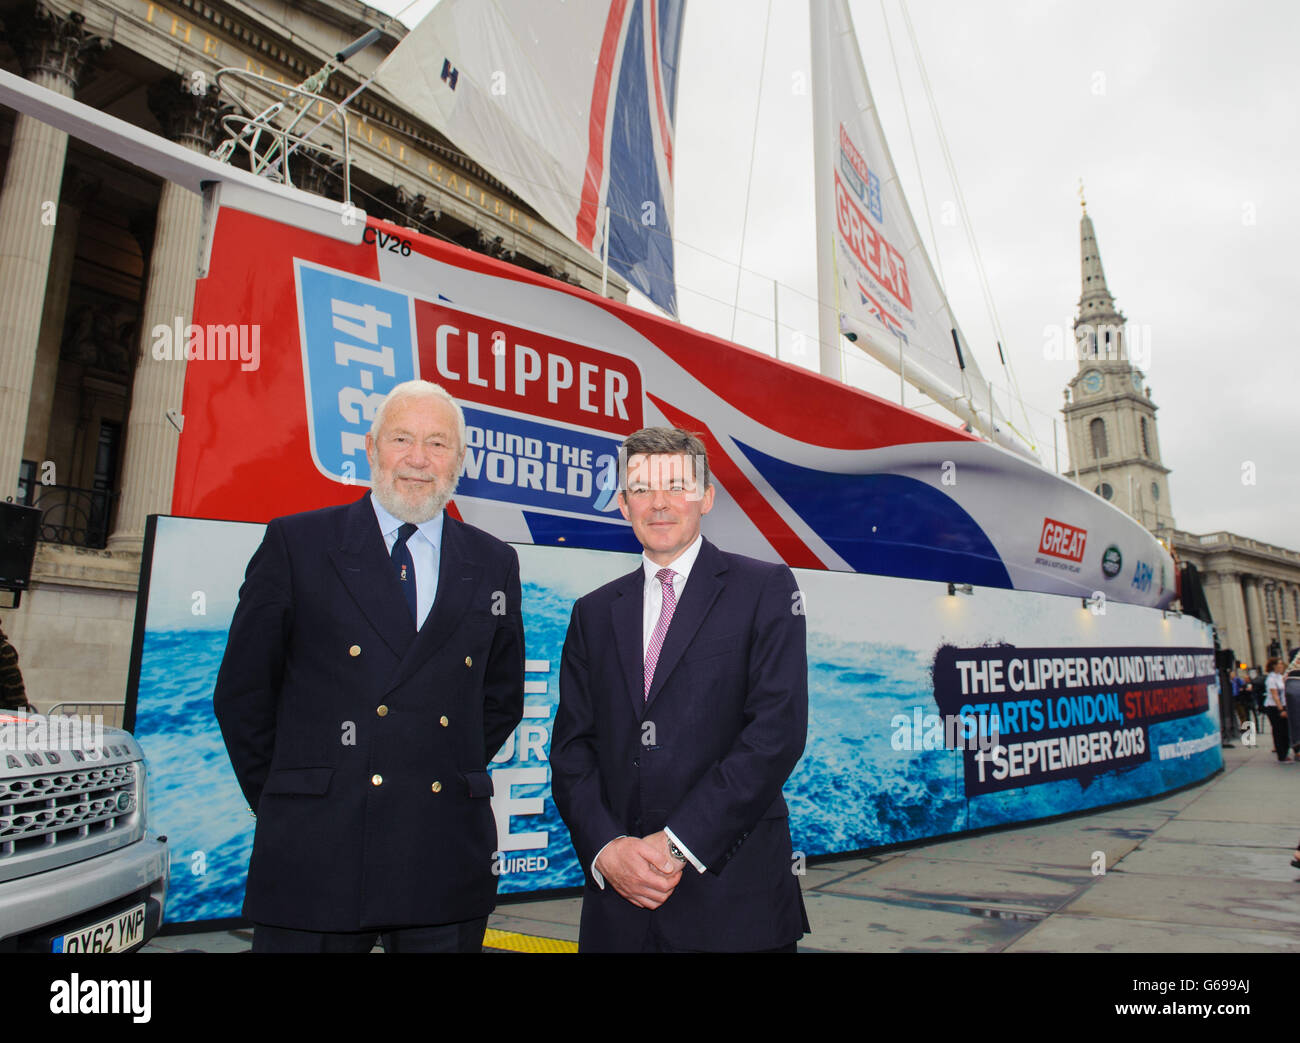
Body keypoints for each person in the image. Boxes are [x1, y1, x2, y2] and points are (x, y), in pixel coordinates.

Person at [214, 380, 525, 952]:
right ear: (371, 446)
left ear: (460, 460)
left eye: (438, 444)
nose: (417, 459)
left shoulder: (493, 562)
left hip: (442, 847)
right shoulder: (298, 543)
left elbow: (499, 698)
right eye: (402, 438)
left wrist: (428, 767)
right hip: (316, 850)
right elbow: (243, 693)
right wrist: (296, 795)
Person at [551, 426, 809, 952]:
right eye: (642, 488)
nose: (660, 503)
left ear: (707, 497)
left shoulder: (765, 589)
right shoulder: (593, 613)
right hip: (619, 906)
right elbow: (573, 749)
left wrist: (676, 845)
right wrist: (607, 849)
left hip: (732, 901)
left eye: (678, 485)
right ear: (623, 505)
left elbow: (775, 734)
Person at [1262, 657, 1289, 762]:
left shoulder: (1280, 677)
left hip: (1282, 704)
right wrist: (1281, 709)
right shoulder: (1271, 679)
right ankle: (1281, 754)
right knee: (1279, 730)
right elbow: (1275, 695)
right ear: (1274, 666)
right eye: (1280, 664)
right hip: (1274, 707)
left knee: (1285, 729)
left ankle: (1285, 751)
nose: (1282, 666)